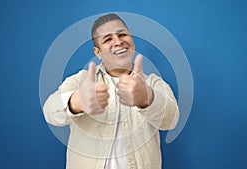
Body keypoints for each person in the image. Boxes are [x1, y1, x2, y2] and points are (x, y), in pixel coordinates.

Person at [43, 13, 179, 169]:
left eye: (122, 35)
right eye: (107, 39)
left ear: (132, 43)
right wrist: (78, 101)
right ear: (98, 52)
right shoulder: (81, 81)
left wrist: (146, 98)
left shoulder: (153, 83)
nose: (118, 41)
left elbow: (171, 120)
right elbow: (50, 112)